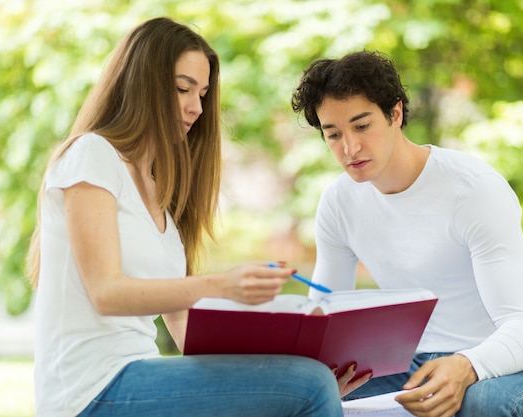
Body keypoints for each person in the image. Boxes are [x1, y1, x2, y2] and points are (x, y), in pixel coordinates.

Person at [26, 17, 348, 417]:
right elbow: (105, 293)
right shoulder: (91, 154)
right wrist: (221, 285)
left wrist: (281, 372)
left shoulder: (158, 192)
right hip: (88, 391)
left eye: (203, 93)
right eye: (182, 89)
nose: (196, 107)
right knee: (309, 385)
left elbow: (182, 326)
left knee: (309, 381)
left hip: (137, 374)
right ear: (142, 83)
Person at [291, 50, 523, 417]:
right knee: (300, 393)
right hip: (406, 366)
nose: (349, 148)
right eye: (333, 134)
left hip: (507, 367)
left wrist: (466, 366)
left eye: (362, 126)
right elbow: (324, 317)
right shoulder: (339, 201)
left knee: (482, 403)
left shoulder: (473, 190)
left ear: (395, 113)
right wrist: (325, 373)